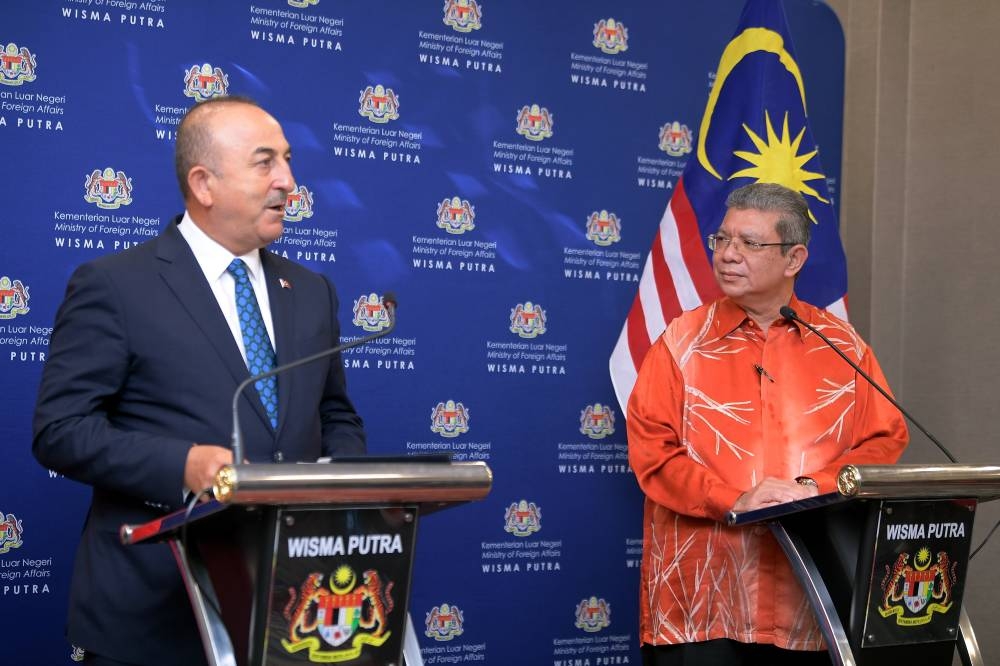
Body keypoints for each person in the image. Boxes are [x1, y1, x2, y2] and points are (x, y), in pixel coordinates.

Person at [33, 96, 366, 666]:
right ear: (204, 183)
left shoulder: (313, 291)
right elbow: (60, 430)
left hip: (292, 610)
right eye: (266, 163)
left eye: (287, 160)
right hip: (156, 614)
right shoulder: (116, 286)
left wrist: (347, 489)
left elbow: (334, 415)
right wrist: (180, 464)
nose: (289, 180)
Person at [626, 182, 908, 665]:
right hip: (701, 600)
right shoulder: (680, 342)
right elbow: (653, 451)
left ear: (794, 259)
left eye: (750, 244)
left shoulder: (843, 345)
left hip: (810, 601)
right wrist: (733, 499)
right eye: (722, 240)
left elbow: (883, 439)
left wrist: (811, 488)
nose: (729, 255)